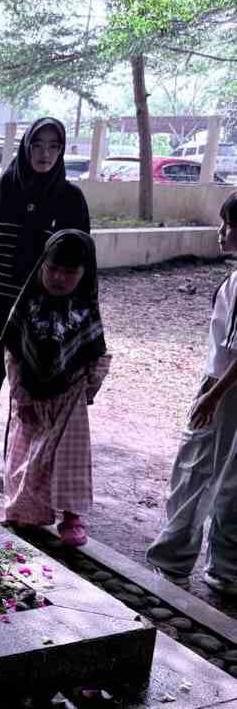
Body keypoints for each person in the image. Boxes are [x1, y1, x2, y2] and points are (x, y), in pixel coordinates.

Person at [0, 118, 91, 481]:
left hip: (42, 308)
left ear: (61, 151)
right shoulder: (3, 189)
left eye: (53, 146)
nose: (44, 154)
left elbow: (80, 256)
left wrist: (79, 308)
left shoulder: (70, 198)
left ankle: (28, 466)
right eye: (37, 145)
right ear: (26, 147)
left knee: (36, 383)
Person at [147, 192, 237, 593]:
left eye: (229, 225)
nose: (221, 232)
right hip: (222, 385)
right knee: (228, 480)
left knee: (195, 471)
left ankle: (173, 562)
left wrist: (213, 395)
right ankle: (226, 569)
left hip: (224, 387)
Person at [1, 230, 110, 547]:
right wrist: (20, 395)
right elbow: (13, 353)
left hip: (69, 397)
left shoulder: (86, 308)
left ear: (84, 273)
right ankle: (28, 511)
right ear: (41, 266)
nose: (59, 278)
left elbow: (96, 353)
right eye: (53, 269)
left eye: (70, 272)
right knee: (30, 456)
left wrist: (90, 387)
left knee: (68, 458)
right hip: (31, 396)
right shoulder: (27, 304)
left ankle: (72, 515)